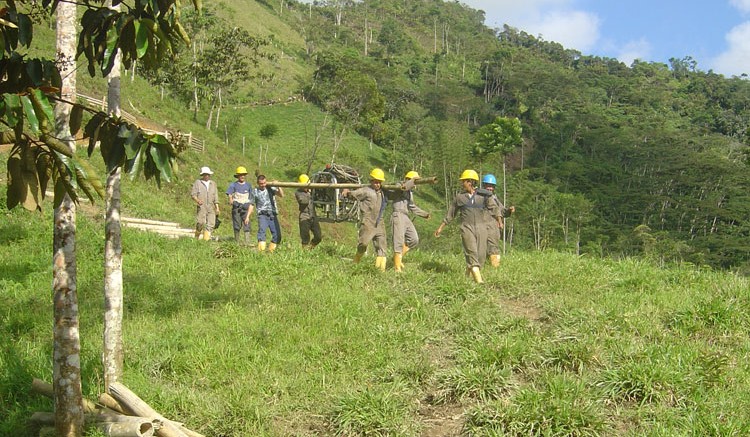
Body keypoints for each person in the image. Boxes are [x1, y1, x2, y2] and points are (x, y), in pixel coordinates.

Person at [434, 169, 502, 283]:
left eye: (464, 181)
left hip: (482, 229)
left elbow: (494, 209)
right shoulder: (460, 197)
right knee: (472, 253)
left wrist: (499, 221)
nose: (462, 184)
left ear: (470, 182)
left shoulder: (483, 196)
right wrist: (440, 227)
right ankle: (479, 282)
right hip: (467, 228)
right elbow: (451, 214)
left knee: (480, 257)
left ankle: (468, 278)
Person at [341, 168, 388, 271]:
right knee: (363, 244)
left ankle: (380, 271)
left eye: (379, 182)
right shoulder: (366, 191)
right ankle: (356, 260)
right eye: (375, 182)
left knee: (382, 246)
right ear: (371, 181)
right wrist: (347, 192)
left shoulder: (383, 192)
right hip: (368, 222)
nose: (377, 184)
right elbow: (354, 194)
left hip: (380, 222)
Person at [389, 170, 430, 272]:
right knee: (398, 240)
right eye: (415, 182)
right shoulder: (399, 185)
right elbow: (403, 187)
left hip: (405, 216)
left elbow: (412, 206)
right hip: (398, 214)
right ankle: (397, 267)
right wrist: (412, 181)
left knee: (414, 239)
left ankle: (397, 258)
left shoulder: (410, 193)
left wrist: (424, 214)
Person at [480, 174, 514, 267]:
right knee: (483, 248)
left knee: (493, 247)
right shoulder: (479, 197)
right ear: (484, 185)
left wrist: (509, 211)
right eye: (488, 186)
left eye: (492, 186)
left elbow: (502, 211)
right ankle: (489, 267)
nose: (490, 188)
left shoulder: (494, 198)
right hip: (483, 226)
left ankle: (494, 268)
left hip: (493, 228)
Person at [244, 174, 284, 252]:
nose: (263, 185)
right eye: (261, 184)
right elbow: (252, 204)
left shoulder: (270, 188)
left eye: (264, 183)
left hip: (272, 214)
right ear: (258, 183)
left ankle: (271, 251)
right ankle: (261, 252)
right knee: (262, 232)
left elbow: (281, 195)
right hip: (262, 214)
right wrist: (247, 216)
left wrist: (278, 185)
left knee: (277, 235)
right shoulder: (255, 191)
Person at [190, 166, 220, 241]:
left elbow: (215, 196)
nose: (207, 176)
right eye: (205, 174)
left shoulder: (213, 184)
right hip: (201, 206)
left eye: (208, 174)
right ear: (202, 175)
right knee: (200, 222)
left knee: (210, 224)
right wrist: (197, 200)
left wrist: (217, 207)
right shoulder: (198, 183)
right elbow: (193, 194)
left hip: (211, 206)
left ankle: (205, 240)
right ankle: (196, 237)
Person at [226, 166, 253, 245]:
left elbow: (251, 197)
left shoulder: (248, 185)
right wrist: (230, 199)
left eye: (244, 175)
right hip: (237, 208)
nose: (242, 176)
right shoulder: (233, 185)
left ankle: (247, 241)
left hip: (246, 208)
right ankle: (236, 241)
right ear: (237, 176)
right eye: (240, 175)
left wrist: (251, 206)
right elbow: (229, 193)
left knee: (247, 223)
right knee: (237, 224)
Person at [295, 173, 323, 249]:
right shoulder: (298, 192)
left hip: (313, 216)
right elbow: (303, 201)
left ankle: (310, 249)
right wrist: (310, 194)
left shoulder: (311, 192)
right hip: (304, 217)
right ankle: (304, 253)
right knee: (305, 238)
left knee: (318, 237)